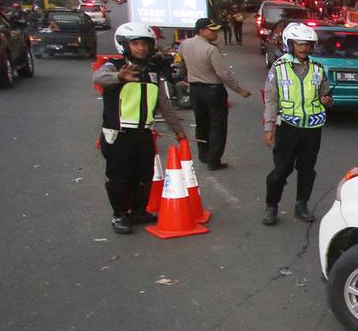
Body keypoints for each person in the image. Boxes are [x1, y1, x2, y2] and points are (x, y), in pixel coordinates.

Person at [92, 23, 187, 234]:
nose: (141, 48)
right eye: (135, 43)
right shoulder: (114, 67)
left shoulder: (152, 73)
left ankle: (138, 211)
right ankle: (119, 214)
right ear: (124, 45)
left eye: (144, 43)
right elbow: (98, 77)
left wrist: (178, 130)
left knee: (144, 177)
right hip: (119, 135)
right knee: (119, 179)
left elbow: (164, 104)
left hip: (144, 134)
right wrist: (118, 77)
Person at [262, 22, 333, 225]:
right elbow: (271, 99)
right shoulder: (279, 68)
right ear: (290, 44)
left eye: (308, 44)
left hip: (312, 128)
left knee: (307, 169)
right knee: (281, 170)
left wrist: (327, 100)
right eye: (300, 44)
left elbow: (325, 94)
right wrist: (269, 128)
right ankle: (272, 206)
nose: (304, 48)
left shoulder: (318, 68)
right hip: (288, 128)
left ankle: (301, 205)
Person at [178, 17, 252, 170]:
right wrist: (240, 90)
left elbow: (179, 63)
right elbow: (223, 74)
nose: (216, 33)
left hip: (195, 90)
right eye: (212, 30)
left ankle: (204, 155)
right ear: (202, 31)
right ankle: (214, 160)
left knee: (201, 124)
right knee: (217, 125)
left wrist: (188, 76)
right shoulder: (211, 49)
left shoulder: (185, 44)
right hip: (213, 91)